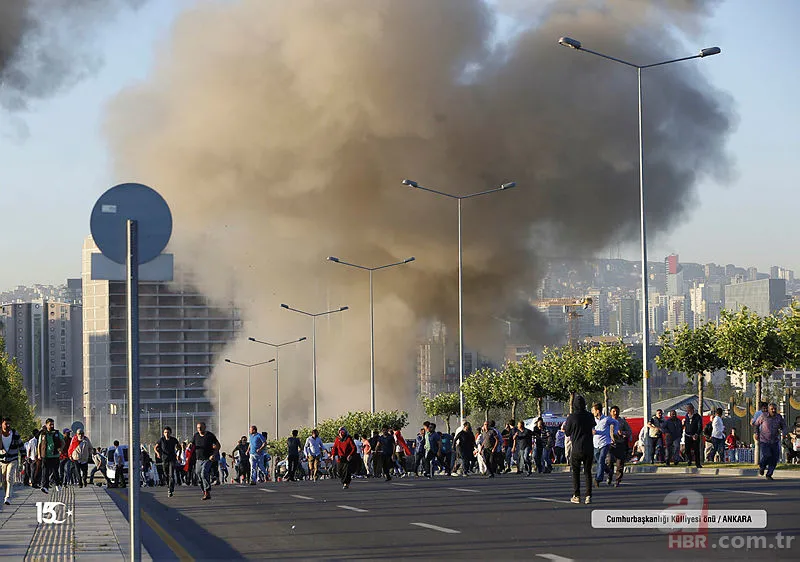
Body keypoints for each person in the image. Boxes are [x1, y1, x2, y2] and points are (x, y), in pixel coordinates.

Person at [564, 395, 596, 504]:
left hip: (576, 447)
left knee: (576, 473)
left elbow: (567, 432)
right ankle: (588, 496)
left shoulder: (572, 417)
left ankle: (576, 495)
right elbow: (593, 426)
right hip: (588, 447)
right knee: (588, 472)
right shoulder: (590, 416)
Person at [753, 403, 788, 480]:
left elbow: (784, 426)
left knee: (774, 458)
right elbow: (756, 424)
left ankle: (769, 474)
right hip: (764, 440)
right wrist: (756, 433)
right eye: (772, 409)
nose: (773, 410)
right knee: (767, 455)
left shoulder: (779, 417)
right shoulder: (763, 416)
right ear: (768, 409)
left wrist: (785, 433)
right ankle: (762, 467)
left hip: (775, 441)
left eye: (775, 408)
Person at [191, 422, 220, 500]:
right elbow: (192, 444)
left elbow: (218, 445)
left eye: (201, 427)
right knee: (198, 475)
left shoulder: (210, 435)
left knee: (204, 473)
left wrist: (213, 454)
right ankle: (204, 491)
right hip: (198, 460)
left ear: (205, 427)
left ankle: (207, 491)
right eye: (198, 428)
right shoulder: (196, 436)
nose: (199, 429)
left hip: (208, 459)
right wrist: (189, 445)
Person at [591, 403, 618, 487]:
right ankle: (609, 472)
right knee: (599, 461)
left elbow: (616, 422)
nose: (592, 412)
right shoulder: (592, 420)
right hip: (595, 443)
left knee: (602, 459)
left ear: (597, 411)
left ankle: (598, 479)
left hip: (605, 443)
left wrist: (615, 432)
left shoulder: (606, 419)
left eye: (593, 410)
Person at [0, 417, 23, 505]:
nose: (8, 426)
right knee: (4, 480)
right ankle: (7, 494)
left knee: (9, 477)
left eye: (9, 424)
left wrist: (23, 455)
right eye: (6, 424)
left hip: (13, 459)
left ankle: (8, 497)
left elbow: (21, 444)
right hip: (2, 460)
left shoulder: (14, 434)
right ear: (2, 424)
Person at [606, 406, 631, 487]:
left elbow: (629, 431)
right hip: (610, 444)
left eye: (617, 411)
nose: (615, 413)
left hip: (620, 444)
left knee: (620, 464)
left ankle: (617, 480)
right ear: (610, 412)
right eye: (613, 411)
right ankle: (609, 476)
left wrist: (623, 433)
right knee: (609, 461)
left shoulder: (622, 422)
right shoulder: (607, 421)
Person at [38, 419, 63, 494]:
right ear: (46, 425)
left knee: (55, 471)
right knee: (45, 471)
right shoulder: (42, 434)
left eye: (53, 424)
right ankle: (45, 486)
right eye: (50, 425)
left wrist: (60, 449)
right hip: (45, 455)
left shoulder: (57, 433)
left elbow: (63, 442)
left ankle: (58, 484)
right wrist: (39, 454)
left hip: (55, 455)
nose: (52, 426)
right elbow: (39, 445)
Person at [155, 426, 180, 497]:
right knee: (166, 474)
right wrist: (158, 453)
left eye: (168, 432)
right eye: (165, 432)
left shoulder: (174, 440)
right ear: (163, 433)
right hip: (164, 459)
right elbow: (155, 447)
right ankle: (169, 485)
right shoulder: (161, 440)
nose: (167, 434)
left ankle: (170, 489)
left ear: (170, 433)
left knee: (171, 474)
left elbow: (179, 447)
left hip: (172, 459)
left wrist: (178, 455)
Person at [683, 404, 703, 468]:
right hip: (687, 435)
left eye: (689, 409)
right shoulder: (686, 416)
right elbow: (685, 425)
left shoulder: (697, 417)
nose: (688, 411)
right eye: (687, 410)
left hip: (695, 436)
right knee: (687, 450)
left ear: (692, 409)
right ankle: (689, 459)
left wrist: (697, 434)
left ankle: (698, 463)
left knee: (696, 450)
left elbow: (700, 426)